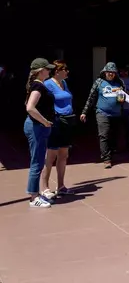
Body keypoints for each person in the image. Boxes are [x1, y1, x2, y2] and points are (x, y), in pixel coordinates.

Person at [80, 62, 126, 169]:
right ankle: (106, 158)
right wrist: (84, 112)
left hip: (116, 114)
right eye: (109, 72)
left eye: (113, 72)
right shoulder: (99, 82)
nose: (111, 74)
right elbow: (91, 98)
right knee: (104, 135)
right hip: (102, 112)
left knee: (114, 135)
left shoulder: (119, 83)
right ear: (104, 72)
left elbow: (122, 100)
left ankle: (111, 151)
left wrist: (121, 97)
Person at [24, 58, 56, 208]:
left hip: (38, 126)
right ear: (40, 71)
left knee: (38, 160)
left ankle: (35, 193)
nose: (49, 71)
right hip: (37, 127)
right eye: (47, 69)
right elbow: (30, 107)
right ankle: (33, 197)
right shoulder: (38, 86)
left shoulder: (38, 85)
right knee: (36, 162)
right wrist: (44, 121)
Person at [42, 60, 76, 198]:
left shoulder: (64, 83)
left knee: (63, 154)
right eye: (65, 69)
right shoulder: (48, 84)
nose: (67, 72)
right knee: (51, 155)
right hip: (56, 121)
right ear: (57, 71)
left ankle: (61, 186)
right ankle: (44, 187)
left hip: (67, 121)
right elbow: (44, 103)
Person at [119, 65, 129, 152]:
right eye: (121, 71)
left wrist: (126, 92)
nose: (123, 73)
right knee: (118, 128)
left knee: (128, 128)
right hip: (118, 107)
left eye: (125, 71)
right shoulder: (118, 81)